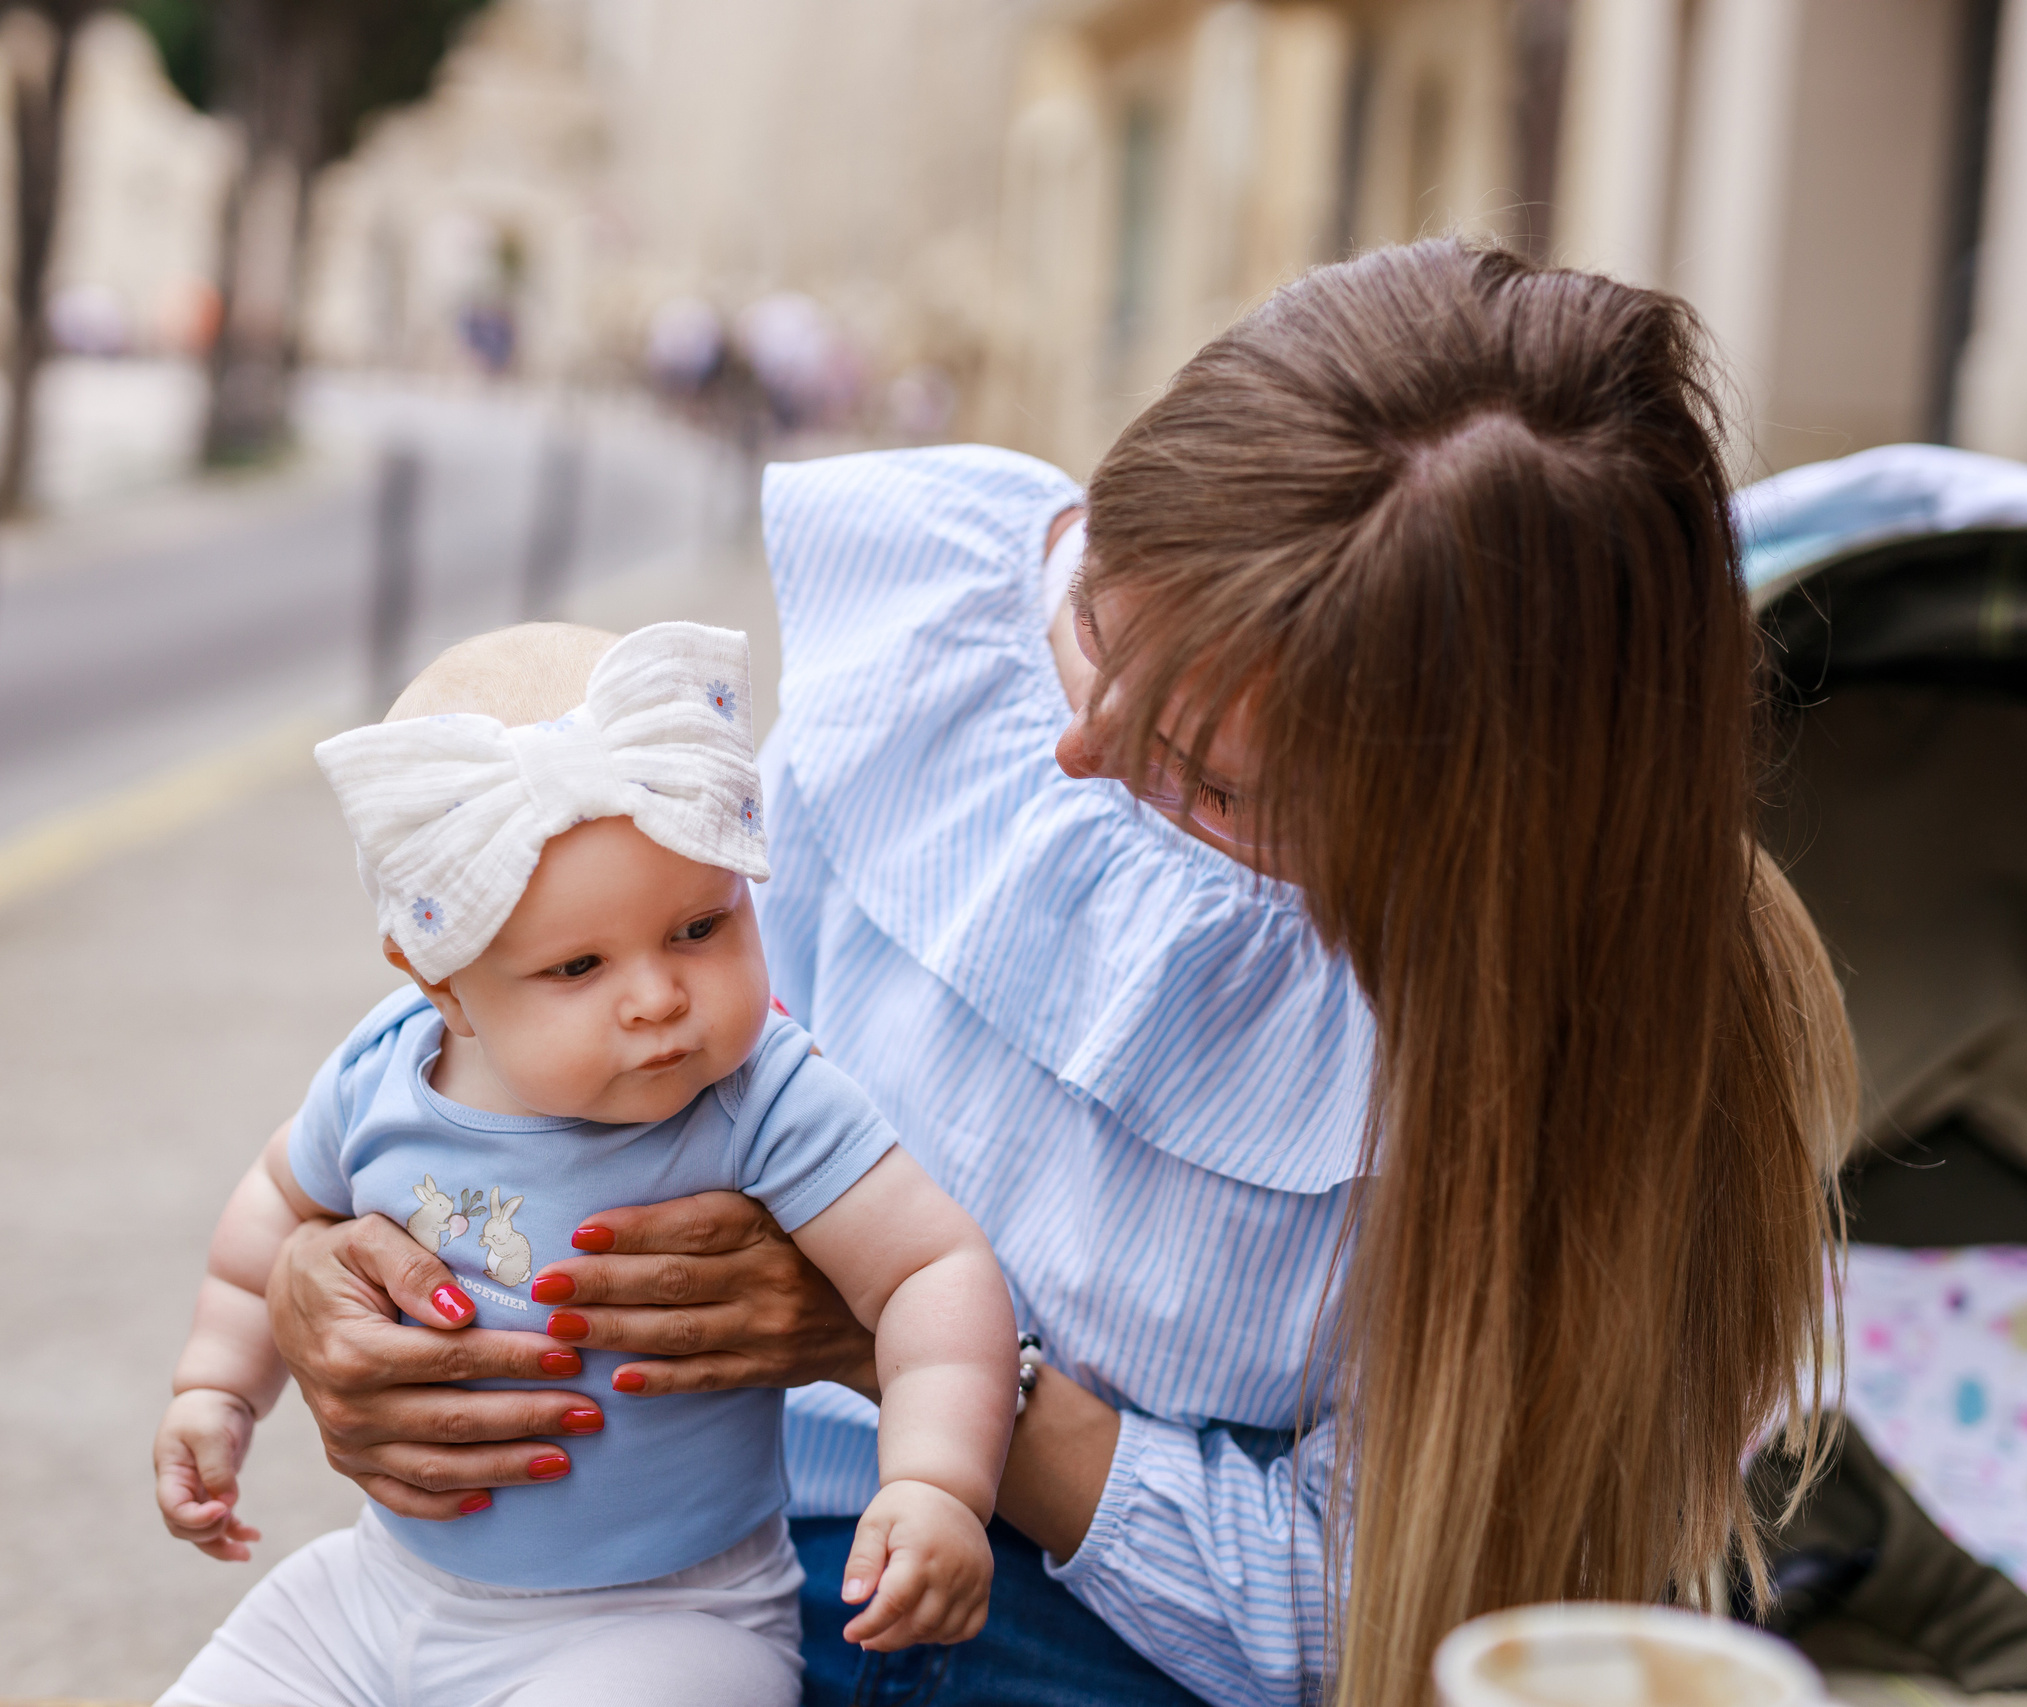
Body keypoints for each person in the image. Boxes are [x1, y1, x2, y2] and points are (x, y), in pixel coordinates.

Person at [256, 240, 1857, 1707]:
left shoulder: (1608, 1064)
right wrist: (341, 1269)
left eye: (1207, 781)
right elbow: (562, 1028)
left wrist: (913, 1354)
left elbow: (1362, 1616)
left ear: (1464, 838)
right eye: (1092, 622)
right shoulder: (961, 669)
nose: (1075, 754)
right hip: (660, 1579)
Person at [150, 622, 1017, 1706]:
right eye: (578, 966)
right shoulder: (382, 1071)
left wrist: (937, 1482)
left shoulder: (761, 1096)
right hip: (380, 1589)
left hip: (668, 1616)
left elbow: (931, 1269)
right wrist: (217, 1388)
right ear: (443, 984)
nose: (657, 997)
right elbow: (275, 1211)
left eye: (700, 927)